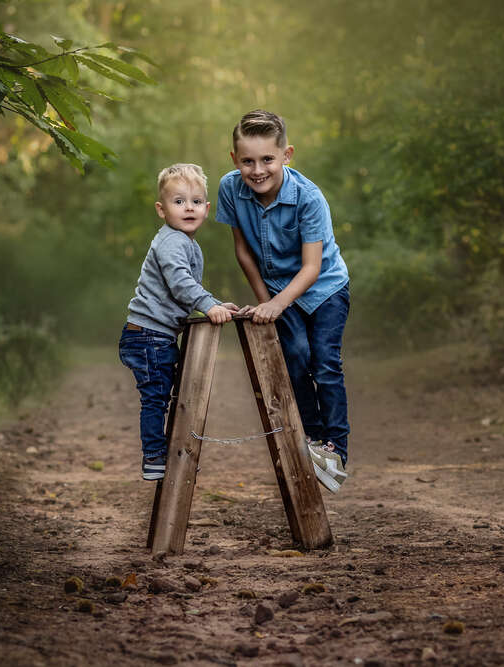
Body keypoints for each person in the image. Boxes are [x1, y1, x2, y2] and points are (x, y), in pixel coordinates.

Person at [215, 109, 351, 493]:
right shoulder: (230, 188)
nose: (257, 170)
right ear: (234, 160)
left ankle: (336, 448)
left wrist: (277, 305)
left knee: (323, 361)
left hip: (323, 287)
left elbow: (310, 268)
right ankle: (311, 437)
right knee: (293, 356)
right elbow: (243, 252)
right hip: (276, 291)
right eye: (247, 161)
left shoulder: (308, 198)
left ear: (286, 155)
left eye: (267, 160)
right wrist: (265, 304)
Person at [120, 163, 237, 480]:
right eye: (179, 201)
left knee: (170, 394)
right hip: (147, 335)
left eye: (196, 202)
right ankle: (155, 457)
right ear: (161, 209)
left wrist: (212, 304)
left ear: (206, 208)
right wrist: (208, 304)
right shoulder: (172, 241)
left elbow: (183, 290)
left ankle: (173, 452)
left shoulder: (185, 242)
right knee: (156, 398)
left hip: (155, 335)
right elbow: (181, 285)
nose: (189, 208)